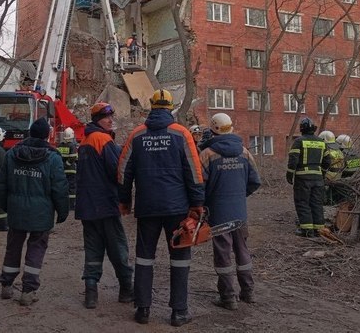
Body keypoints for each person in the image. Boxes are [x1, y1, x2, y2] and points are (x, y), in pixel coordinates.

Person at [118, 89, 205, 327]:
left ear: (151, 107)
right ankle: (179, 312)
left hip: (147, 208)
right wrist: (197, 204)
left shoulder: (137, 135)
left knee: (145, 257)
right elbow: (194, 172)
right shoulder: (182, 134)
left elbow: (123, 172)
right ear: (170, 108)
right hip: (177, 208)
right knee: (180, 258)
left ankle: (142, 309)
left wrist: (125, 200)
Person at [0, 117, 69, 306]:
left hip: (16, 211)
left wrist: (6, 206)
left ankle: (6, 286)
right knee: (36, 248)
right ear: (47, 135)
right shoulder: (53, 158)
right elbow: (59, 188)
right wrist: (62, 212)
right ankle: (28, 291)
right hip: (41, 213)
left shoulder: (12, 154)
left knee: (13, 246)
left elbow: (2, 184)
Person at [199, 113, 261, 310]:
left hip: (218, 213)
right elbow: (255, 181)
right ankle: (248, 292)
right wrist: (239, 196)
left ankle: (228, 297)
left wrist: (202, 204)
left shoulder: (207, 154)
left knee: (223, 254)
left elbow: (199, 185)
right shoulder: (244, 152)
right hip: (239, 212)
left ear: (213, 128)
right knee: (242, 250)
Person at [76, 103, 134, 310]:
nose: (110, 120)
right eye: (105, 117)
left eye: (111, 116)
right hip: (105, 205)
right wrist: (125, 198)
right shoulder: (102, 140)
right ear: (96, 120)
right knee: (117, 247)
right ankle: (126, 289)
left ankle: (91, 292)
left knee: (92, 249)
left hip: (87, 207)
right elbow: (118, 171)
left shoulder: (85, 141)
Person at [286, 118, 330, 237]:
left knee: (303, 203)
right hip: (318, 179)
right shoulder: (322, 142)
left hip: (303, 179)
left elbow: (293, 160)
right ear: (313, 129)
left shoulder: (299, 141)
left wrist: (289, 175)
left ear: (301, 129)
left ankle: (306, 230)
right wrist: (322, 174)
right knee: (316, 203)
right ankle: (319, 229)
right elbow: (327, 161)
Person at [319, 130, 346, 205]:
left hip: (329, 175)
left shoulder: (326, 150)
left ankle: (323, 200)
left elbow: (323, 163)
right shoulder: (339, 150)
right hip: (339, 175)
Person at [57, 127, 79, 210]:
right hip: (71, 170)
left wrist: (62, 165)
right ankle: (71, 205)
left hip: (62, 170)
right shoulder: (72, 146)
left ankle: (62, 204)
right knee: (72, 187)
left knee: (62, 187)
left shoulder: (60, 145)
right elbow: (73, 157)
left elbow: (58, 157)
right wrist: (67, 164)